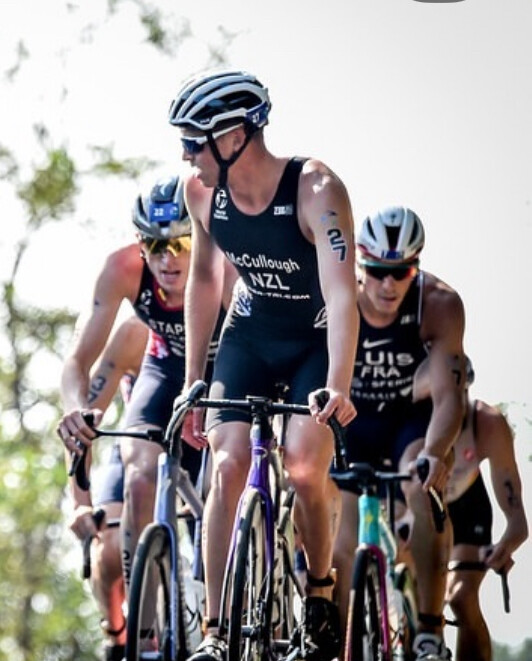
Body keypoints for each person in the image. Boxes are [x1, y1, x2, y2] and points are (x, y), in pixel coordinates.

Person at [170, 69, 360, 661]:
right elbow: (205, 280)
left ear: (234, 137)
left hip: (313, 340)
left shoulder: (317, 189)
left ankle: (320, 590)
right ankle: (214, 631)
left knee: (303, 467)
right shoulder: (199, 191)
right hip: (250, 335)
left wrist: (337, 386)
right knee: (226, 463)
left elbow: (342, 294)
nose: (186, 154)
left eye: (193, 141)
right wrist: (193, 383)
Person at [57, 176, 229, 634]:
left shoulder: (227, 266)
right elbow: (78, 366)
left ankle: (221, 622)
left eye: (181, 244)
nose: (166, 259)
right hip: (165, 373)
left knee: (225, 483)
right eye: (154, 245)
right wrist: (74, 410)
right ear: (139, 244)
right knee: (137, 478)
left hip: (225, 376)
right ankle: (141, 631)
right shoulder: (124, 274)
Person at [330, 206, 468, 660]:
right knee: (342, 543)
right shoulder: (336, 296)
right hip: (353, 420)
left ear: (417, 266)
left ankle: (429, 629)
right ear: (360, 265)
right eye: (377, 272)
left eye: (402, 271)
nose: (389, 285)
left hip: (408, 422)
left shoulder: (439, 304)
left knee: (422, 483)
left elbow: (449, 397)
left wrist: (436, 452)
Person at [413, 358, 526, 661]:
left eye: (458, 393)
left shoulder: (488, 423)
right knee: (414, 601)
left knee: (461, 598)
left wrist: (504, 547)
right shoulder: (411, 421)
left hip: (465, 504)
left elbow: (518, 523)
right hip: (420, 505)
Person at [65, 316, 148, 661]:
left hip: (204, 443)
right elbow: (81, 423)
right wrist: (80, 503)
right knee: (110, 543)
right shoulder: (133, 333)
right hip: (138, 441)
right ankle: (117, 636)